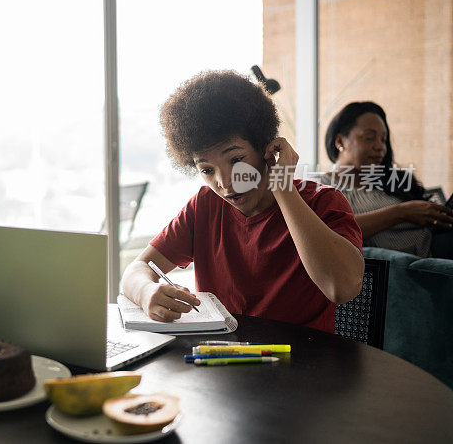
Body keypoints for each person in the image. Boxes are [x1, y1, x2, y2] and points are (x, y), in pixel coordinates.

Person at [120, 70, 364, 333]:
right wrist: (146, 291)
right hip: (221, 359)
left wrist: (282, 186)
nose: (224, 182)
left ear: (266, 148)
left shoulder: (323, 202)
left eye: (236, 159)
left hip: (301, 363)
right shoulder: (204, 206)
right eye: (207, 170)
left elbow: (342, 287)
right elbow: (138, 268)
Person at [321, 101, 453, 258]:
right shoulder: (322, 186)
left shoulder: (389, 180)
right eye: (369, 138)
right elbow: (328, 231)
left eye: (383, 139)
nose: (380, 147)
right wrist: (402, 212)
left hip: (440, 245)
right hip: (424, 261)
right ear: (340, 141)